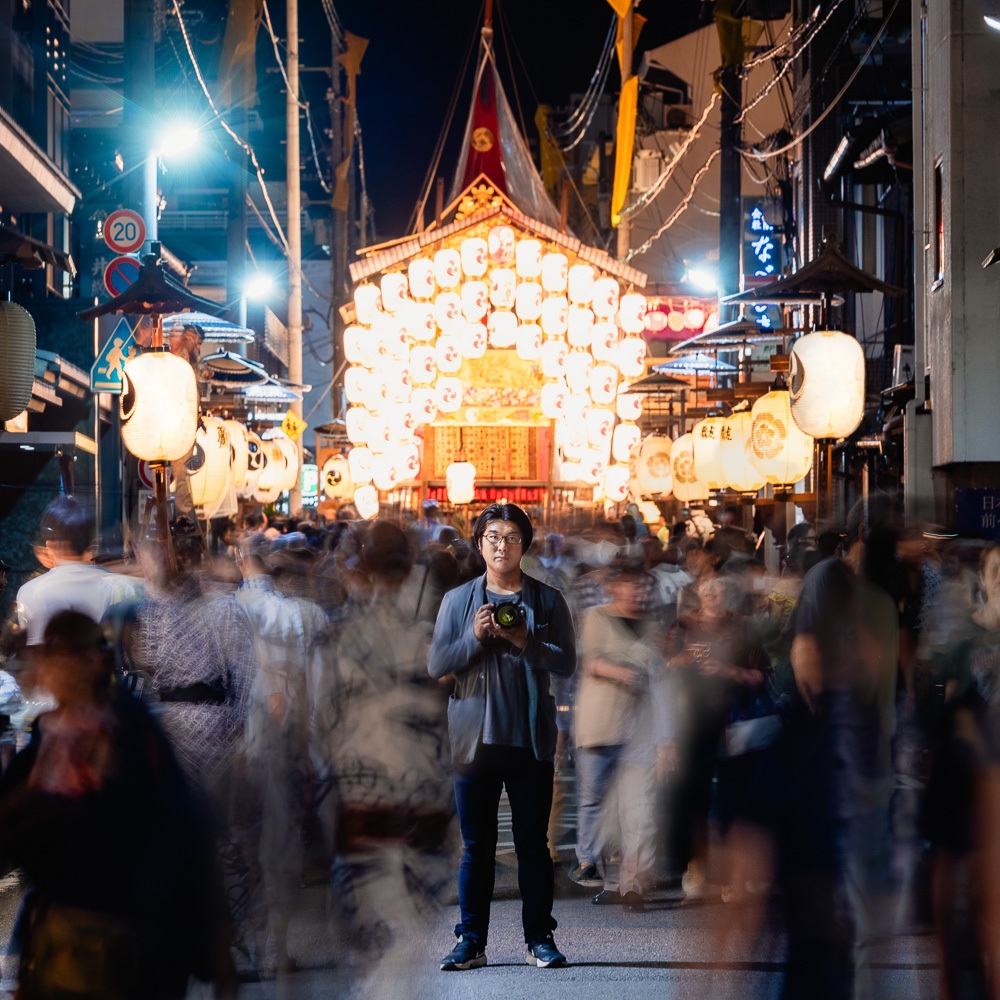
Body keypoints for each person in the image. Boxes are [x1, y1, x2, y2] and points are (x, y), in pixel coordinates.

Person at [0, 611, 235, 1000]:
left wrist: (211, 940)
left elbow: (183, 833)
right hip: (69, 947)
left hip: (130, 947)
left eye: (57, 657)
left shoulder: (130, 736)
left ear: (93, 661)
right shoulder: (51, 740)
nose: (47, 669)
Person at [428, 503, 576, 970]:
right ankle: (471, 939)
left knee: (533, 845)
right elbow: (436, 665)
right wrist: (473, 637)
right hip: (474, 741)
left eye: (511, 537)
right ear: (479, 544)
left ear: (524, 545)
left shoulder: (548, 600)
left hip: (530, 738)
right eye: (492, 536)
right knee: (477, 847)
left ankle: (540, 939)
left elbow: (567, 662)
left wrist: (524, 642)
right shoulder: (457, 601)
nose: (501, 545)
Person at [573, 558, 675, 912]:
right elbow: (588, 662)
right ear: (615, 587)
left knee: (640, 811)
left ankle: (634, 886)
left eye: (642, 586)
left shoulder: (652, 627)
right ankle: (603, 876)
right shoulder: (597, 618)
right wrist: (622, 672)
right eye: (630, 585)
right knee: (601, 807)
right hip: (601, 727)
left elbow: (660, 682)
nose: (637, 592)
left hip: (639, 731)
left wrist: (667, 739)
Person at [15, 497, 143, 647]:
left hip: (54, 670)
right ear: (92, 544)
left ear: (49, 545)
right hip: (108, 669)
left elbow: (33, 650)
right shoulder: (126, 587)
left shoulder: (30, 592)